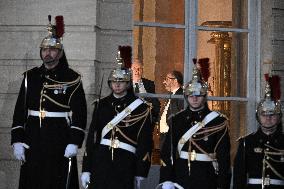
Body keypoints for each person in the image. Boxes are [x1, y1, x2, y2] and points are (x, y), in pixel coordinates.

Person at [11, 15, 87, 189]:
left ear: (59, 53)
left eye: (52, 50)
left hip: (59, 140)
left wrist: (74, 142)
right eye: (44, 49)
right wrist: (16, 140)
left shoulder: (72, 78)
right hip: (33, 138)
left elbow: (80, 113)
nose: (48, 53)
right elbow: (19, 111)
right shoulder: (30, 77)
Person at [81, 51, 153, 189]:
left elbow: (145, 142)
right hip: (101, 160)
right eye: (114, 81)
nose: (117, 85)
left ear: (128, 84)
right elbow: (92, 139)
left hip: (125, 162)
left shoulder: (140, 108)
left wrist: (141, 171)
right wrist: (86, 168)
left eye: (122, 81)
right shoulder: (101, 105)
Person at [159, 59, 231, 189]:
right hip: (181, 178)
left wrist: (222, 185)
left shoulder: (217, 121)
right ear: (186, 96)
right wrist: (166, 180)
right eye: (191, 95)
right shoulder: (177, 120)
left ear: (204, 96)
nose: (195, 98)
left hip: (207, 178)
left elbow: (223, 158)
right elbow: (167, 153)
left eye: (199, 95)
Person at [233, 74, 284, 189]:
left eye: (272, 114)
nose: (268, 118)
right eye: (264, 114)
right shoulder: (247, 142)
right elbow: (239, 177)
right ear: (258, 117)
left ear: (279, 117)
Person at [159, 70, 184, 147]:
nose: (164, 82)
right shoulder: (171, 95)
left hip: (172, 136)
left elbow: (180, 116)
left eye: (167, 79)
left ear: (175, 81)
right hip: (164, 135)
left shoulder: (181, 96)